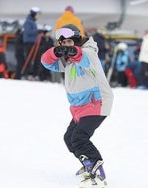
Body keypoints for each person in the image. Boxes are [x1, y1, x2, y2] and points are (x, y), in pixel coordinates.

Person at [41, 24, 113, 187]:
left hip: (97, 102)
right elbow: (46, 62)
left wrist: (74, 52)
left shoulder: (89, 52)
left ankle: (96, 171)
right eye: (63, 43)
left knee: (79, 138)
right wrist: (55, 52)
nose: (66, 46)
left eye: (69, 42)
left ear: (76, 40)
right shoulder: (67, 61)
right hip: (79, 107)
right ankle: (87, 164)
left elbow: (84, 58)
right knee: (69, 139)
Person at [22, 7, 41, 79]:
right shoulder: (28, 22)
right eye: (37, 14)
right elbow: (28, 32)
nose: (38, 16)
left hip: (34, 42)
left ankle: (33, 74)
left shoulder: (32, 22)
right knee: (29, 58)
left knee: (35, 58)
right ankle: (26, 73)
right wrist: (37, 31)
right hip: (29, 43)